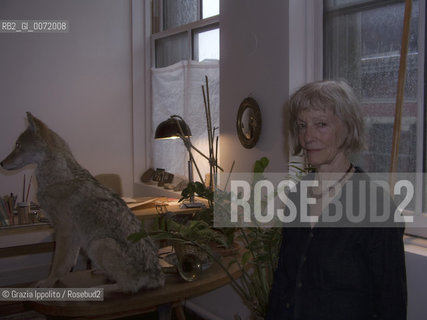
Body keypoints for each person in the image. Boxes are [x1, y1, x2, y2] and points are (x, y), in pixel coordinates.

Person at [266, 80, 407, 319]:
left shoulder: (376, 207)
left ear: (348, 129)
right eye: (302, 125)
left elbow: (391, 302)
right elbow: (284, 281)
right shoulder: (296, 196)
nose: (307, 136)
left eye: (321, 124)